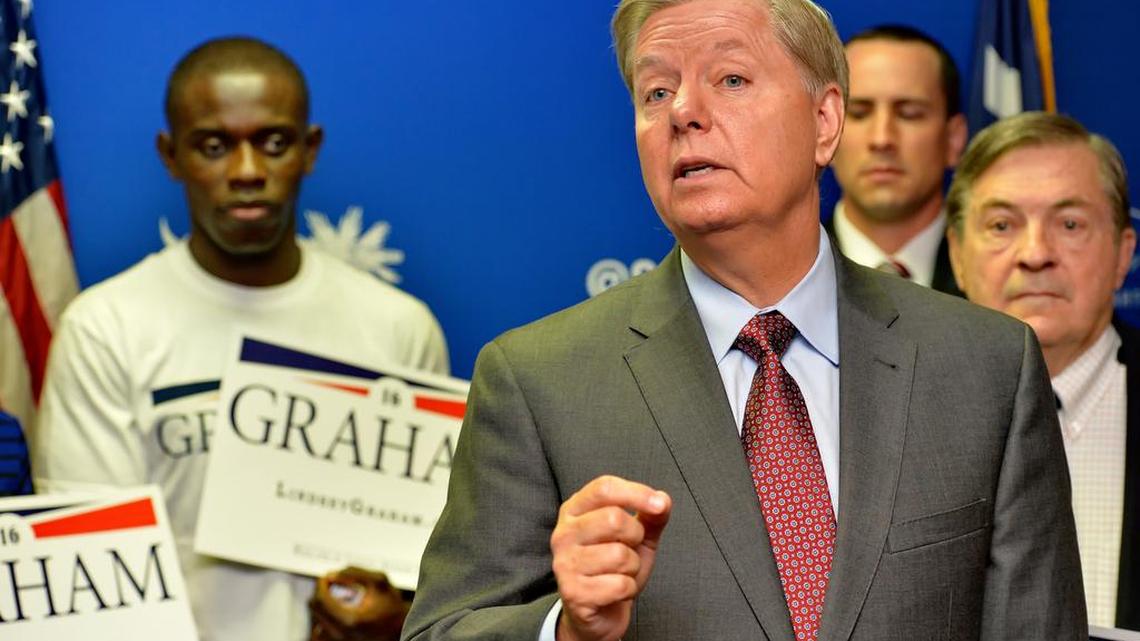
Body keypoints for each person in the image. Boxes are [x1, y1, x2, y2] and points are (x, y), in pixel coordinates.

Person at [403, 1, 1084, 640]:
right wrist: (566, 628)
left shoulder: (986, 366)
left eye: (730, 78)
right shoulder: (537, 381)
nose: (685, 113)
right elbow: (442, 627)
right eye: (656, 92)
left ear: (824, 121)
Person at [32, 37, 448, 641]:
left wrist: (402, 619)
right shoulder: (105, 329)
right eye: (214, 146)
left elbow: (436, 564)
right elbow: (93, 592)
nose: (247, 172)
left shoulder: (398, 327)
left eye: (274, 143)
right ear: (171, 156)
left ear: (309, 151)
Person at [947, 111, 1139, 631]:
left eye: (1070, 224)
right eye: (1002, 225)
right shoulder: (888, 409)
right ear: (957, 255)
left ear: (1124, 255)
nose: (1035, 254)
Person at [828, 25, 967, 295]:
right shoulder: (777, 274)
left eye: (909, 114)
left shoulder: (994, 278)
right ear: (826, 131)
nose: (882, 139)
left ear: (953, 139)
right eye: (858, 113)